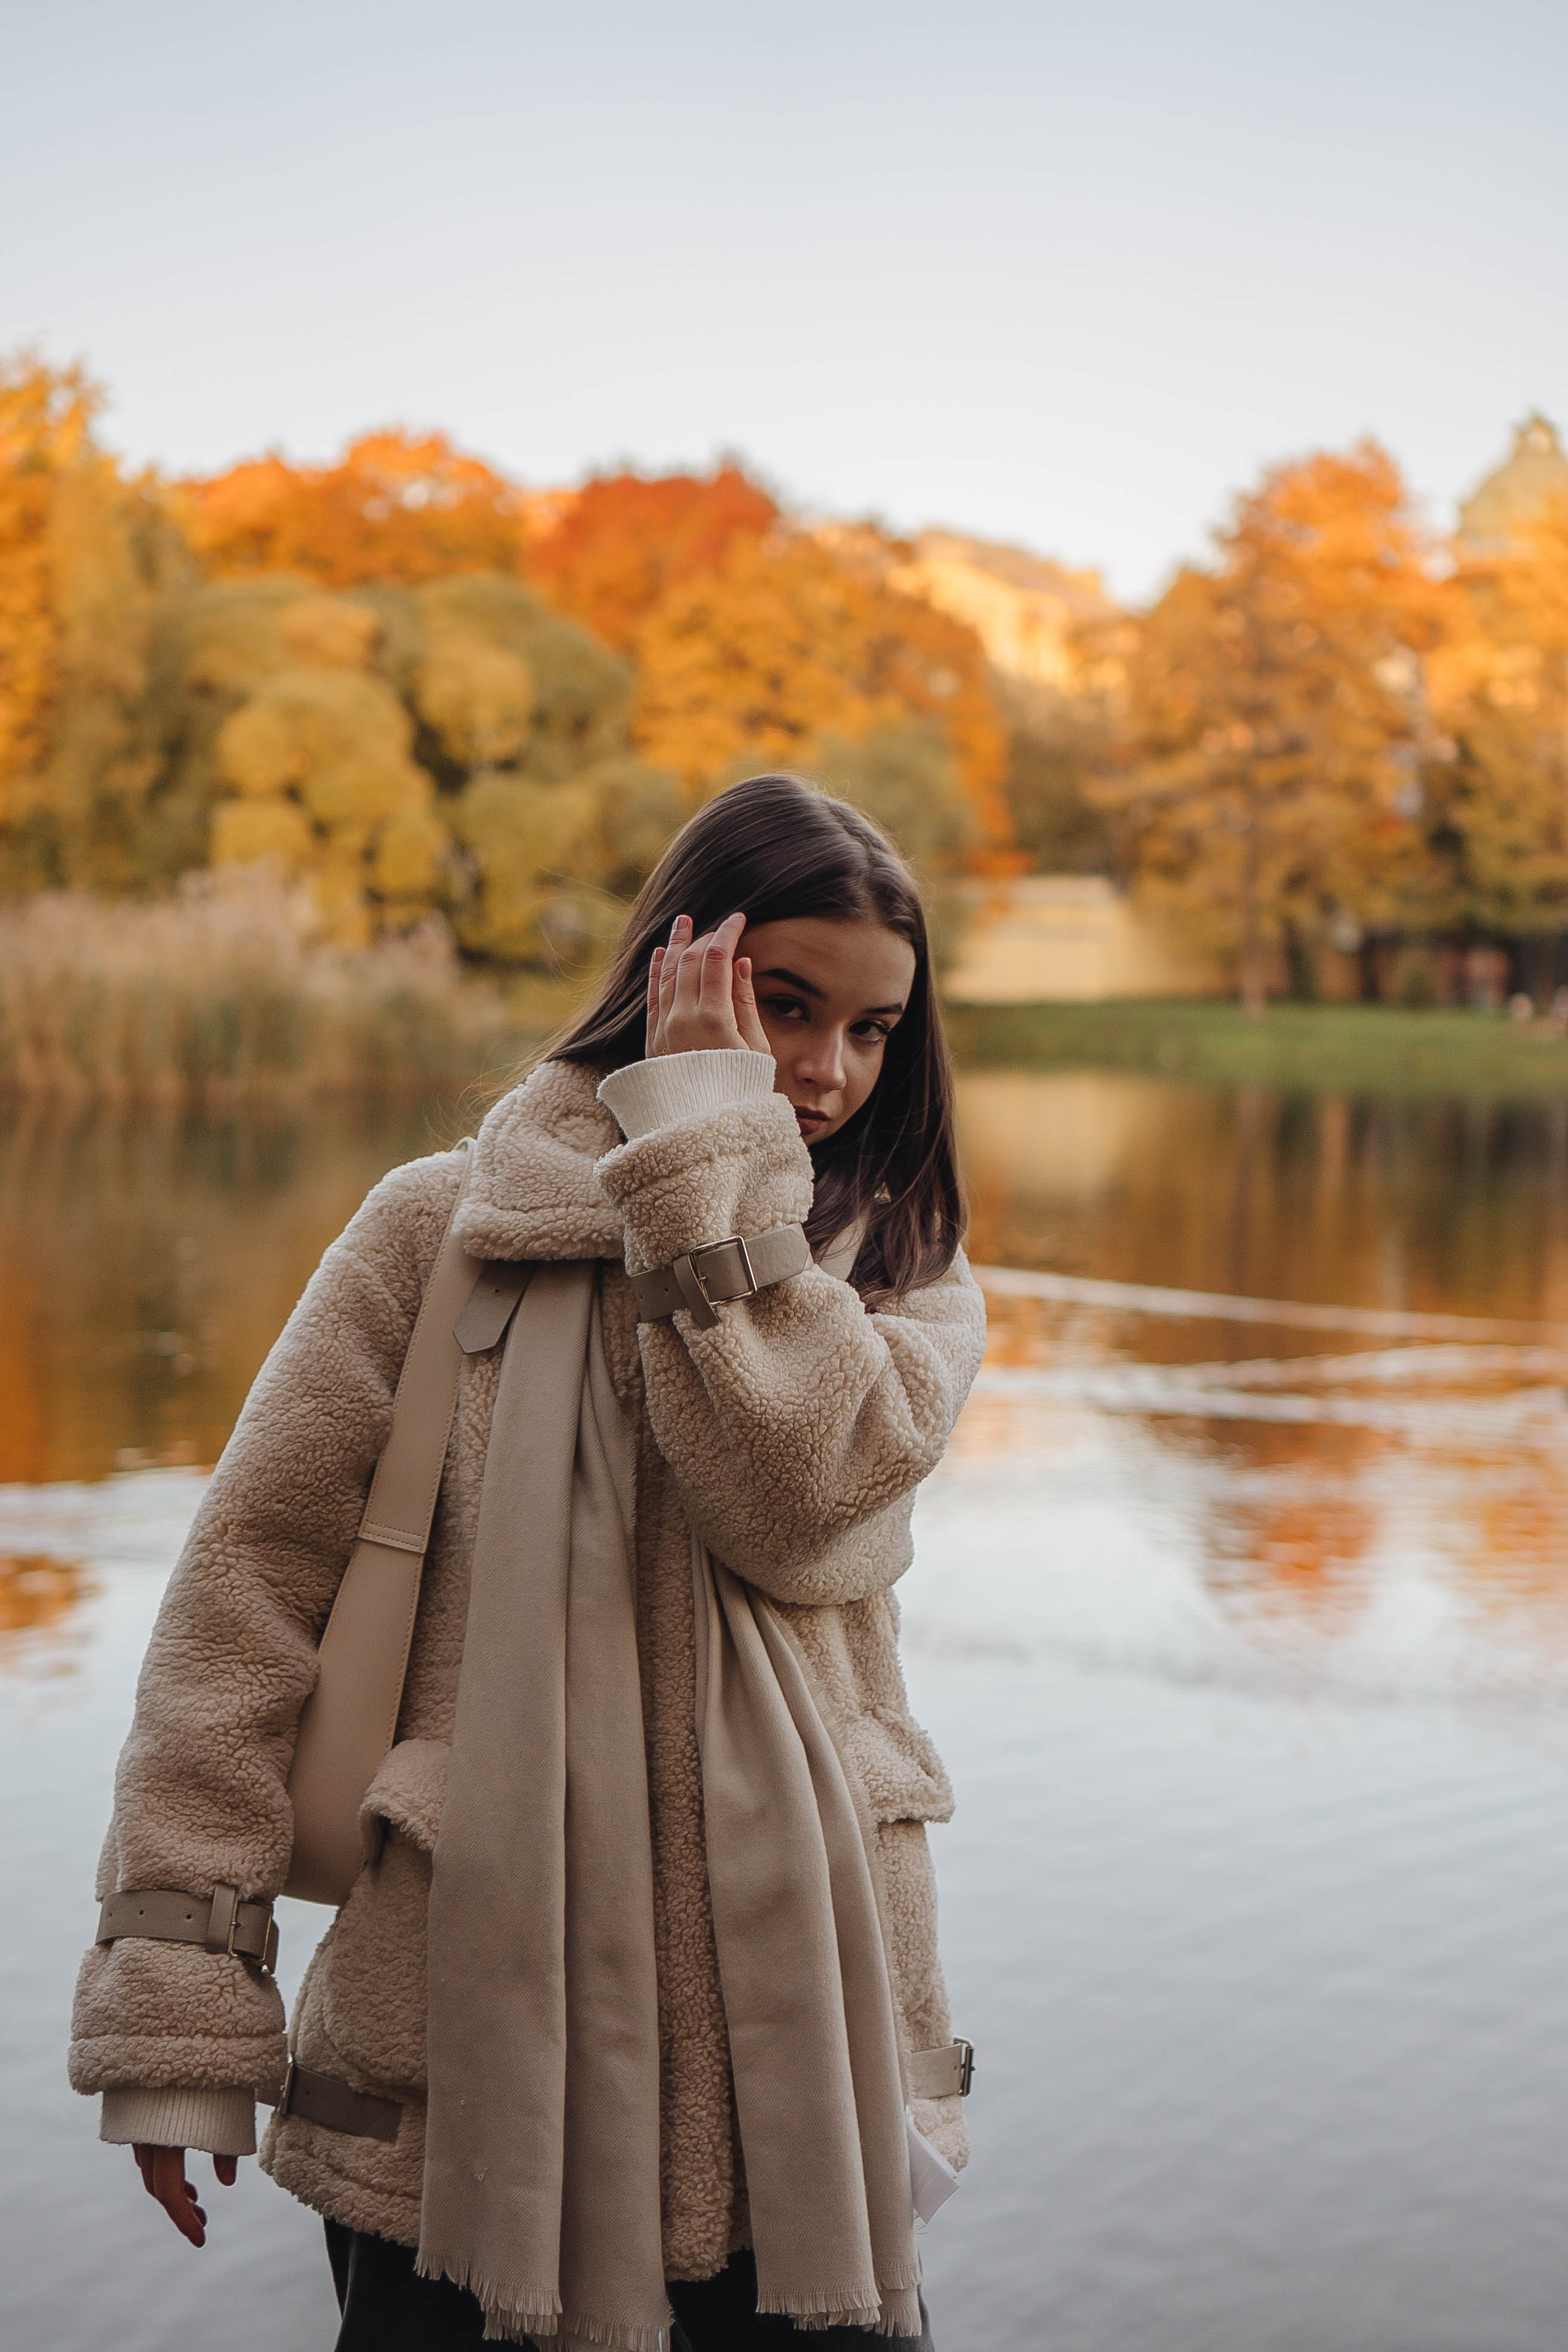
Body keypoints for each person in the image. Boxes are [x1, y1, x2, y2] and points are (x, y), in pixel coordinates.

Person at [70, 772, 987, 2351]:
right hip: (464, 2072)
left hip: (804, 2096)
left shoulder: (892, 1270)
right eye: (783, 1006)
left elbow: (806, 1504)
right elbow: (242, 1612)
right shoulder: (439, 1235)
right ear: (675, 974)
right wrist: (185, 2016)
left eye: (871, 1028)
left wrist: (712, 1155)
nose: (827, 1071)